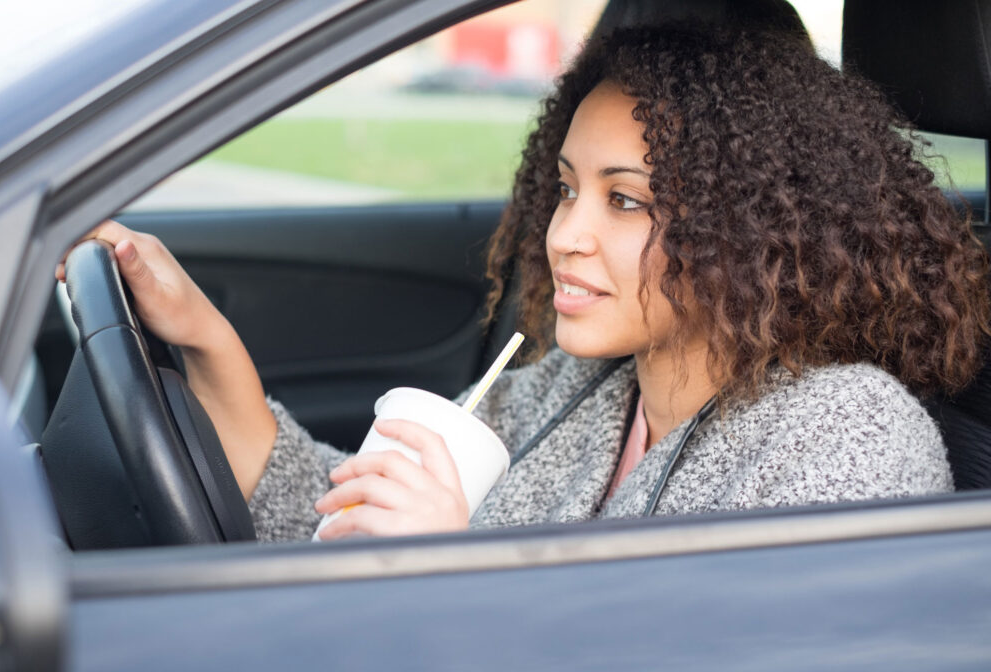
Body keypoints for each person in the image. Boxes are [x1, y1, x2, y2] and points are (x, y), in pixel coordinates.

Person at [59, 24, 990, 543]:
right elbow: (340, 507)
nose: (565, 236)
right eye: (566, 189)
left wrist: (453, 563)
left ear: (750, 223)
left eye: (626, 202)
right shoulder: (584, 389)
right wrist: (207, 339)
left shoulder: (849, 436)